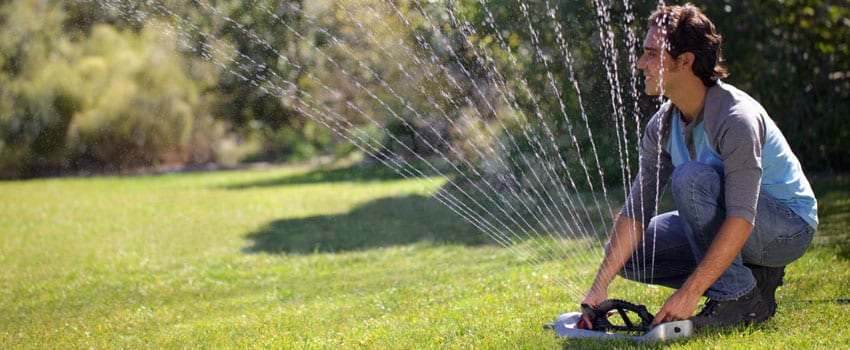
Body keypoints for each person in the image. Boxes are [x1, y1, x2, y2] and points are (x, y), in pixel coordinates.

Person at [581, 3, 818, 329]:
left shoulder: (736, 119)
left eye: (651, 53)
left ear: (685, 61)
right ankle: (751, 280)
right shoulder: (662, 125)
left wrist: (691, 292)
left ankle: (737, 297)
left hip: (787, 228)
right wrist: (598, 286)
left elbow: (741, 216)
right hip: (744, 224)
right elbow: (636, 211)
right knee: (634, 254)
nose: (640, 63)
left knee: (691, 179)